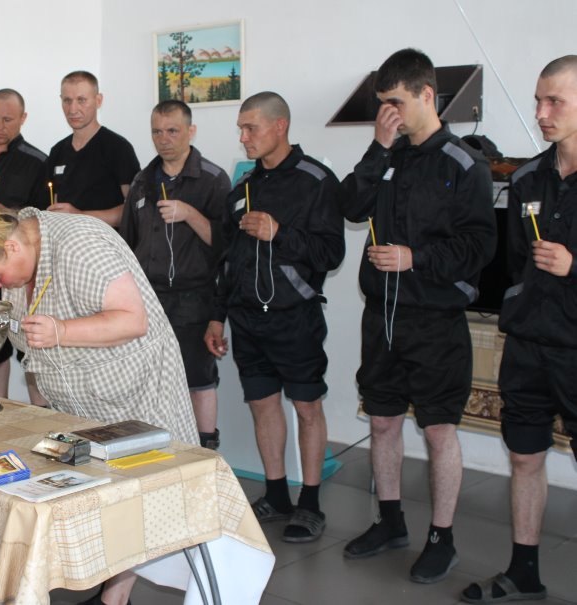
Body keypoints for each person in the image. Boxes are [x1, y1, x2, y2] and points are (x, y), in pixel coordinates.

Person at [0, 204, 199, 605]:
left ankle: (114, 598)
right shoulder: (22, 259)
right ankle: (113, 595)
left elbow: (133, 320)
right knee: (110, 502)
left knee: (142, 500)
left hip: (136, 395)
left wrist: (61, 330)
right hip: (83, 405)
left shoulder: (80, 244)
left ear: (12, 247)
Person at [340, 48, 495, 583]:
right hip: (382, 315)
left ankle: (441, 538)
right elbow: (350, 206)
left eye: (396, 103)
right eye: (382, 105)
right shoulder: (389, 154)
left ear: (427, 95)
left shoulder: (464, 163)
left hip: (435, 320)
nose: (389, 114)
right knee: (382, 422)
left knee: (437, 431)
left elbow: (480, 246)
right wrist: (378, 147)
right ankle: (389, 521)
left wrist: (416, 257)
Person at [461, 55, 577, 604]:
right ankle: (523, 571)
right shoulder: (527, 177)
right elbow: (513, 265)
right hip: (528, 345)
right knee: (525, 455)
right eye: (538, 100)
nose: (541, 113)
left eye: (555, 101)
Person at [204, 92, 345, 542]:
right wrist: (217, 316)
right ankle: (277, 494)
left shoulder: (316, 180)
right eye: (241, 129)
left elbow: (331, 252)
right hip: (247, 319)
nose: (243, 137)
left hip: (295, 317)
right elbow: (227, 260)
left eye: (251, 128)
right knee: (263, 405)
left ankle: (310, 503)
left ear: (279, 126)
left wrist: (279, 233)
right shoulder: (242, 187)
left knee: (307, 408)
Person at [120, 99, 230, 449]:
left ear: (190, 131)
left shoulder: (212, 179)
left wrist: (190, 214)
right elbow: (128, 243)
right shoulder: (142, 181)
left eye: (172, 131)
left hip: (194, 298)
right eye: (156, 132)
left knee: (198, 381)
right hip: (148, 299)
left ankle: (206, 453)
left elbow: (227, 246)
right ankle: (157, 455)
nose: (163, 139)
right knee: (148, 382)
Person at [0, 88, 49, 402]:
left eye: (7, 119)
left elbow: (44, 220)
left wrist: (8, 216)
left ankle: (41, 410)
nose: (0, 126)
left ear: (23, 118)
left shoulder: (38, 162)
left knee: (31, 346)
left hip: (21, 270)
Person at [46, 70, 140, 227]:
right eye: (67, 101)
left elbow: (135, 208)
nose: (73, 109)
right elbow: (53, 204)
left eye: (81, 100)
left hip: (104, 240)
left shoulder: (118, 148)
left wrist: (80, 216)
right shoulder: (57, 151)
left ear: (98, 100)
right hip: (65, 239)